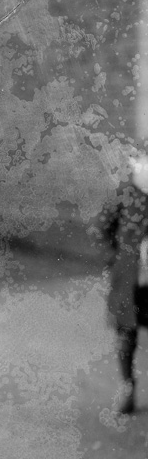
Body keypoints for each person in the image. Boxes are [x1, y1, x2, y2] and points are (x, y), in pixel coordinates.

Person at [95, 152, 148, 414]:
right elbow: (101, 227)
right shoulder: (125, 194)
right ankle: (127, 386)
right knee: (126, 337)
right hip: (129, 281)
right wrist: (113, 260)